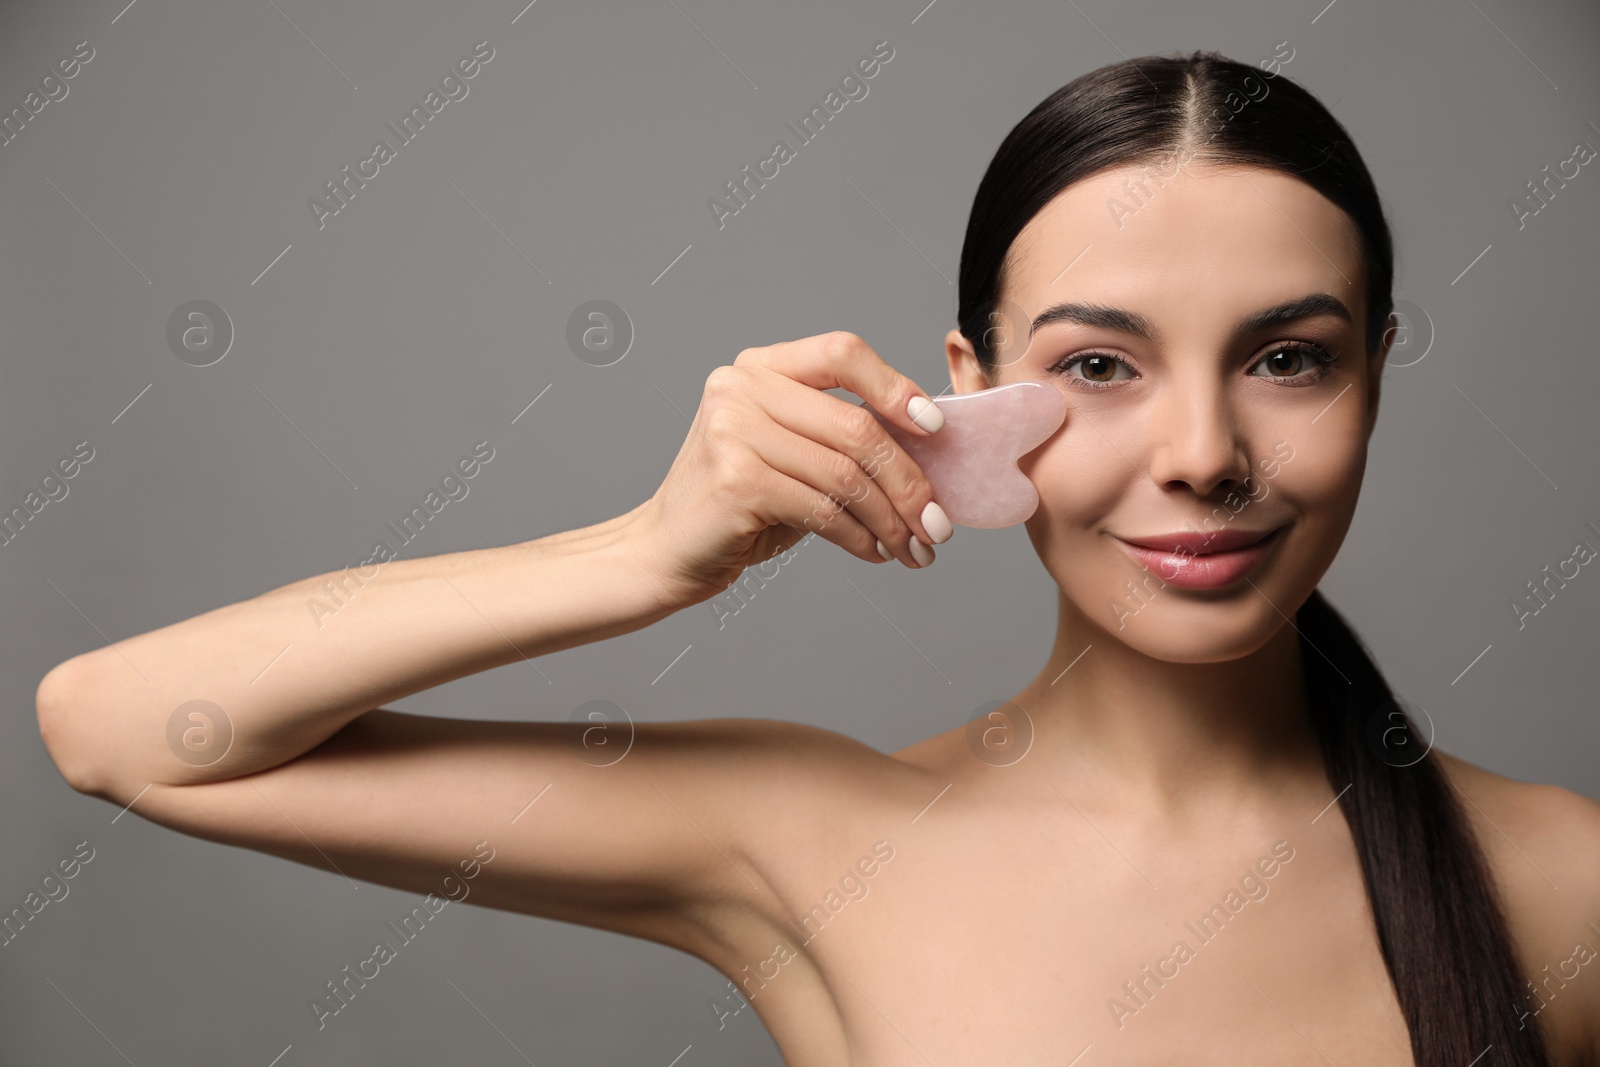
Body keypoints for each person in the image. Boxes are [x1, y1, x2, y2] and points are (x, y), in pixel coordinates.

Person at [34, 50, 1600, 1065]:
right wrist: (643, 557)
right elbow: (121, 729)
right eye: (1101, 368)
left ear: (1377, 374)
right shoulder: (812, 836)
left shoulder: (1560, 880)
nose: (1201, 451)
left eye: (1289, 357)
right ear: (966, 393)